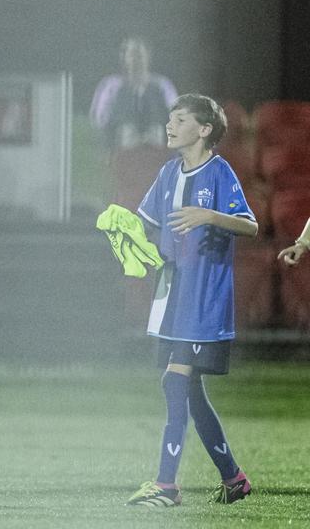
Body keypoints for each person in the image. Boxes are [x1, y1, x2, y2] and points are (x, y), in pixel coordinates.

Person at [125, 94, 257, 508]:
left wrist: (210, 216)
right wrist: (122, 231)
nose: (169, 125)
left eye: (179, 119)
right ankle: (234, 479)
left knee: (175, 382)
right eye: (169, 118)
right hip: (172, 298)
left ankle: (166, 487)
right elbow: (145, 226)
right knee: (187, 389)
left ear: (203, 130)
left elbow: (251, 226)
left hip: (203, 302)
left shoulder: (219, 172)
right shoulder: (168, 173)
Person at [89, 36, 179, 151]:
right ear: (124, 58)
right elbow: (100, 119)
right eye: (132, 55)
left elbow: (175, 113)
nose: (136, 60)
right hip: (122, 146)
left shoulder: (162, 85)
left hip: (157, 145)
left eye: (140, 55)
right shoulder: (111, 86)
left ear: (147, 56)